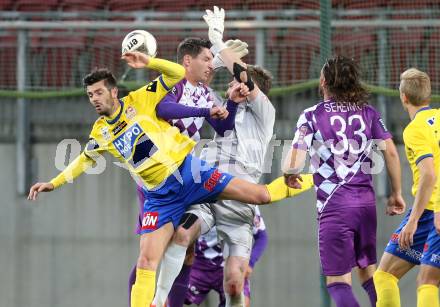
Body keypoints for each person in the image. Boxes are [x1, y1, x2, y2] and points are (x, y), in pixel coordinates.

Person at [27, 51, 307, 307]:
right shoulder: (100, 131)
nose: (95, 99)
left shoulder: (140, 99)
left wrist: (148, 62)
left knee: (261, 196)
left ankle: (314, 179)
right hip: (161, 196)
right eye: (90, 95)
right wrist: (54, 182)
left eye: (99, 92)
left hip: (190, 173)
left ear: (113, 91)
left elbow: (175, 73)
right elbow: (83, 159)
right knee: (146, 260)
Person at [127, 36, 249, 306]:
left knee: (186, 247)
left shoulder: (205, 92)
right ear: (186, 61)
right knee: (152, 252)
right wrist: (205, 110)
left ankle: (163, 302)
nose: (211, 66)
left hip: (182, 174)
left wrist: (231, 102)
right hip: (156, 177)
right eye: (206, 59)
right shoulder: (175, 83)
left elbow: (223, 128)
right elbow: (164, 108)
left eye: (211, 60)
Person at [283, 55, 405, 307]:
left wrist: (289, 173)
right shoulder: (369, 113)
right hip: (366, 204)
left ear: (324, 81)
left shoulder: (311, 115)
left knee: (337, 281)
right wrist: (396, 194)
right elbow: (391, 152)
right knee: (368, 272)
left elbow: (294, 161)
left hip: (334, 205)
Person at [374, 68, 440, 307]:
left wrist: (412, 221)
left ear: (403, 97)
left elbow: (429, 174)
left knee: (389, 276)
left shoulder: (414, 130)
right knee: (426, 281)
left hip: (428, 213)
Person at [166, 206, 268, 307]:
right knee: (168, 300)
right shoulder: (202, 194)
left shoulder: (246, 200)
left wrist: (250, 264)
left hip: (231, 263)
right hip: (199, 263)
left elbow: (262, 237)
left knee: (241, 302)